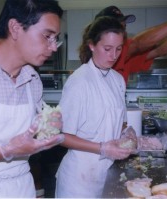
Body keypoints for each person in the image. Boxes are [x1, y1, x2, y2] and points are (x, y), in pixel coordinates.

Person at [0, 0, 65, 197]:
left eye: (56, 39)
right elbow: (11, 147)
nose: (54, 47)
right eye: (47, 36)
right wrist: (4, 151)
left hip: (21, 189)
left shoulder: (32, 80)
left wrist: (47, 128)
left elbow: (25, 140)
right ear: (15, 28)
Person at [55, 16, 134, 198]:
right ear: (92, 45)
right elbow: (61, 136)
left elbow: (120, 122)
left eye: (119, 49)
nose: (113, 56)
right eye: (107, 49)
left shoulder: (117, 79)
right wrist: (103, 148)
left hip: (107, 174)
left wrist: (127, 133)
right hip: (79, 182)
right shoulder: (79, 82)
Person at [94, 1, 167, 82]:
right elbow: (139, 44)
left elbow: (159, 50)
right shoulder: (106, 55)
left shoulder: (124, 55)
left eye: (123, 27)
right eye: (117, 28)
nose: (123, 32)